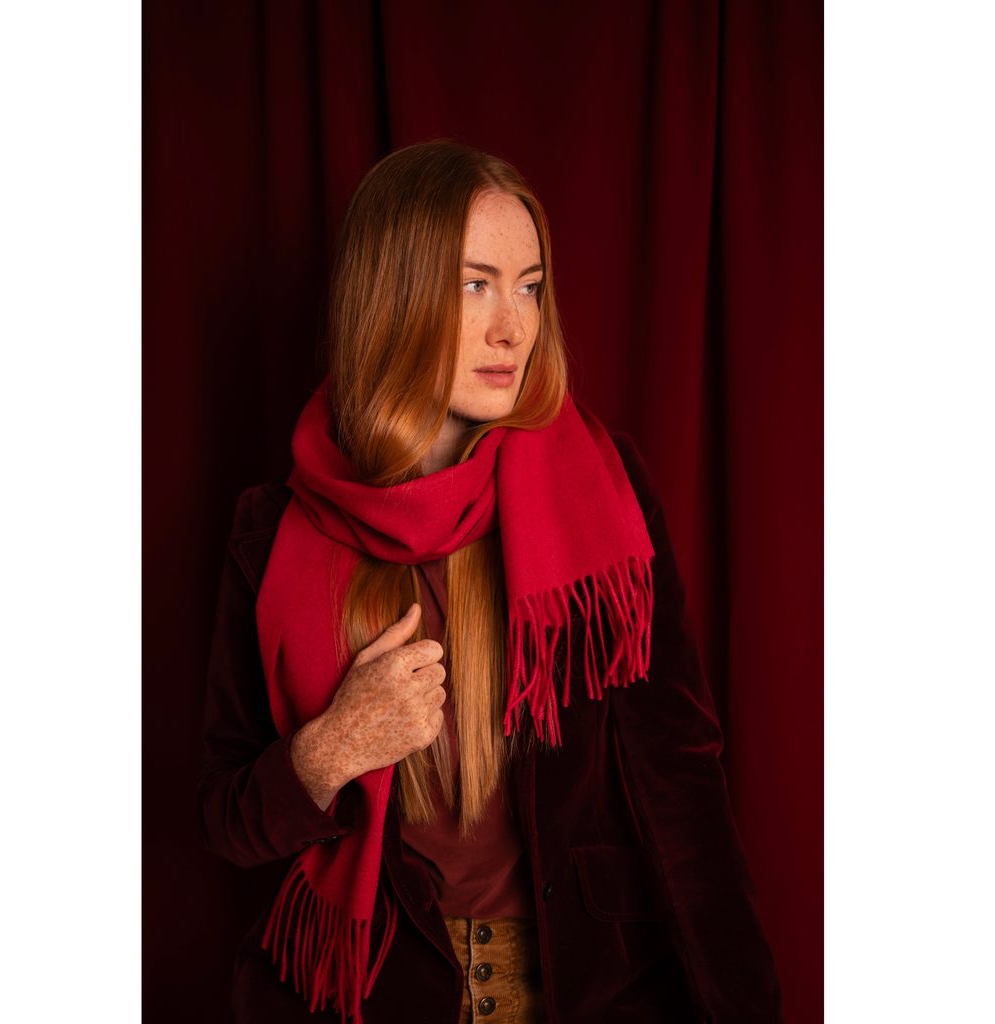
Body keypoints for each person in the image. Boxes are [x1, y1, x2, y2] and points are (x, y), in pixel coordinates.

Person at [197, 139, 783, 1024]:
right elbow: (225, 819)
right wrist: (332, 748)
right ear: (394, 297)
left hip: (586, 997)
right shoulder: (272, 531)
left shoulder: (603, 495)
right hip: (374, 1000)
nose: (514, 326)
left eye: (530, 287)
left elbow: (683, 786)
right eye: (475, 285)